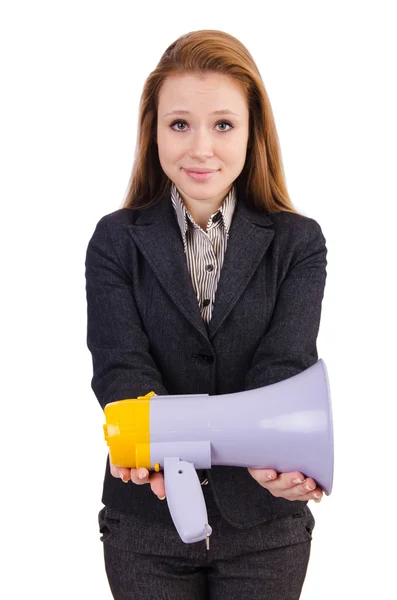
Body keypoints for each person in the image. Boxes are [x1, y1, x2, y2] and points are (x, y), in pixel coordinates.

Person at [85, 28, 327, 600]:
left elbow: (285, 365)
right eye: (179, 124)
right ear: (154, 132)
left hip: (265, 528)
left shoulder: (299, 243)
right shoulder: (114, 241)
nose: (200, 148)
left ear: (251, 131)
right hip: (145, 525)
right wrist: (151, 446)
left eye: (223, 124)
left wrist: (275, 458)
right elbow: (121, 365)